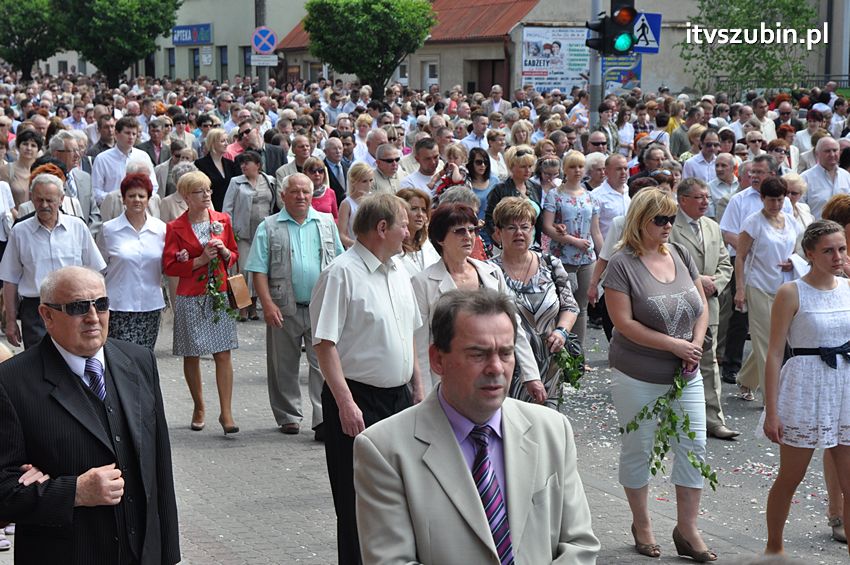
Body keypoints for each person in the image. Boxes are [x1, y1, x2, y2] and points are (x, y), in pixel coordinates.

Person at [353, 288, 600, 564]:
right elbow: (390, 560)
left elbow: (580, 544)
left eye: (505, 353)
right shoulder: (384, 449)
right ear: (437, 359)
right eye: (478, 354)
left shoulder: (552, 430)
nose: (496, 368)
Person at [0, 266, 180, 565]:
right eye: (78, 307)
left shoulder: (139, 361)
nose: (93, 317)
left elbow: (159, 466)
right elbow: (4, 489)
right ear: (46, 315)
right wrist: (75, 492)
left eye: (101, 304)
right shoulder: (11, 382)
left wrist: (167, 554)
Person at [309, 192, 423, 565]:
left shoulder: (400, 270)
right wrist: (345, 403)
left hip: (398, 397)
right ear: (382, 228)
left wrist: (417, 389)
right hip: (357, 398)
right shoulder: (341, 273)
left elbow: (408, 335)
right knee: (356, 499)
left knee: (400, 494)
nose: (411, 229)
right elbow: (325, 346)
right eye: (404, 223)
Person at [603, 188, 714, 561]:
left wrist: (693, 345)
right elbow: (624, 323)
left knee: (693, 445)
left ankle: (687, 528)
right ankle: (643, 523)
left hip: (686, 370)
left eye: (671, 219)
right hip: (639, 372)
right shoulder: (622, 263)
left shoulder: (680, 253)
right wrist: (673, 346)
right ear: (640, 221)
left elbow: (700, 306)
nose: (668, 226)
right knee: (639, 447)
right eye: (660, 220)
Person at [762, 220, 850, 556]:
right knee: (790, 476)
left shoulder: (848, 287)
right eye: (828, 250)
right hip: (805, 386)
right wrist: (772, 411)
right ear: (809, 254)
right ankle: (773, 550)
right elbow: (773, 353)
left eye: (841, 248)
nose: (837, 256)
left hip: (844, 387)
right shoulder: (791, 292)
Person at [246, 172, 344, 438]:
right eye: (295, 192)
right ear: (283, 196)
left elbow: (339, 263)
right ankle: (289, 415)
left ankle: (323, 418)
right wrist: (266, 304)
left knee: (323, 364)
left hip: (320, 307)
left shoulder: (326, 223)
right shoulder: (269, 226)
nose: (301, 196)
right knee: (283, 365)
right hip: (283, 305)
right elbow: (258, 269)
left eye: (306, 192)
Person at [412, 202, 541, 395]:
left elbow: (514, 325)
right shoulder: (422, 282)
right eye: (459, 231)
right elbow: (421, 343)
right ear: (440, 238)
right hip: (447, 378)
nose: (468, 236)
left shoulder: (492, 273)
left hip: (491, 372)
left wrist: (531, 375)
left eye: (472, 230)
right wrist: (423, 392)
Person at [162, 171, 240, 434]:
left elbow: (233, 254)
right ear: (186, 197)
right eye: (200, 191)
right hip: (190, 295)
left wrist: (225, 252)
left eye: (208, 190)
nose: (207, 195)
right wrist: (199, 260)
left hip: (218, 293)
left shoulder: (222, 220)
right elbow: (169, 265)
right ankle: (199, 406)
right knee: (192, 352)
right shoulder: (175, 227)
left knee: (223, 352)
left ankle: (226, 413)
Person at [490, 197, 579, 407]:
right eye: (511, 227)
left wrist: (561, 331)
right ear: (498, 233)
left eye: (525, 227)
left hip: (550, 363)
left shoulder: (550, 263)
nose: (519, 233)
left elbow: (570, 306)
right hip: (509, 365)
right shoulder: (488, 272)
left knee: (548, 428)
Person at [1, 173, 106, 349]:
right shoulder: (19, 232)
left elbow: (96, 272)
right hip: (35, 310)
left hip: (76, 307)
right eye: (39, 200)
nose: (44, 205)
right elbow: (9, 280)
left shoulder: (77, 227)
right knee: (38, 363)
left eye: (49, 200)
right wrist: (11, 322)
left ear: (61, 199)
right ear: (31, 199)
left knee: (74, 357)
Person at [668, 178, 738, 440]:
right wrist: (698, 282)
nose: (705, 202)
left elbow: (725, 264)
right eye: (699, 197)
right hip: (678, 304)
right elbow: (665, 262)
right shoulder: (669, 225)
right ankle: (674, 415)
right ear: (683, 200)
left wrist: (714, 284)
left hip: (709, 305)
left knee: (708, 363)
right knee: (673, 361)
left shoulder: (711, 226)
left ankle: (713, 419)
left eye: (707, 197)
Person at [734, 177, 801, 401]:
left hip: (785, 288)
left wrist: (793, 261)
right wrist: (740, 289)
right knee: (765, 342)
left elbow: (797, 251)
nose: (776, 205)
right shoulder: (753, 222)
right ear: (762, 198)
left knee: (775, 339)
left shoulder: (791, 221)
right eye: (771, 200)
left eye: (780, 200)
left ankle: (745, 379)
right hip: (758, 286)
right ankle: (771, 397)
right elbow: (740, 257)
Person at [96, 173, 166, 350]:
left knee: (145, 357)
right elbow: (98, 268)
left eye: (141, 196)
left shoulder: (161, 229)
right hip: (118, 306)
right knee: (120, 358)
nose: (137, 200)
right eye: (131, 195)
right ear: (123, 199)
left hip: (151, 305)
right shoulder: (108, 230)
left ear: (149, 199)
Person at [542, 151, 602, 348]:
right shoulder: (555, 194)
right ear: (565, 170)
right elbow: (548, 227)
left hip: (587, 259)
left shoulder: (590, 197)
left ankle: (578, 354)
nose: (577, 171)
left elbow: (596, 231)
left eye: (580, 166)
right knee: (562, 306)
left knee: (582, 307)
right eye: (572, 167)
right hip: (562, 257)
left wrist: (604, 259)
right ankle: (559, 349)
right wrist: (572, 240)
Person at [222, 150, 276, 321]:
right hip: (242, 234)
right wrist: (229, 231)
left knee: (258, 271)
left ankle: (253, 307)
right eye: (242, 163)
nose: (243, 166)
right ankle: (242, 308)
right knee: (242, 270)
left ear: (258, 165)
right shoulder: (236, 182)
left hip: (263, 233)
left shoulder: (270, 181)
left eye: (247, 163)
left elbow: (275, 204)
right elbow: (227, 208)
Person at [485, 145, 543, 244]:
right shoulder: (500, 189)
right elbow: (489, 219)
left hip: (532, 243)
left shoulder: (536, 187)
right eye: (523, 166)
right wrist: (499, 240)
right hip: (508, 243)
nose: (528, 170)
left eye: (530, 166)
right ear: (511, 167)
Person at [396, 187, 440, 276]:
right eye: (414, 208)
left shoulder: (427, 243)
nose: (420, 214)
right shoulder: (392, 247)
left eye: (423, 210)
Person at [194, 127, 239, 211]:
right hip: (211, 208)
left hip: (229, 209)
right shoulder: (200, 164)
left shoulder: (230, 164)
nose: (226, 144)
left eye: (227, 141)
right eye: (222, 141)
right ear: (213, 143)